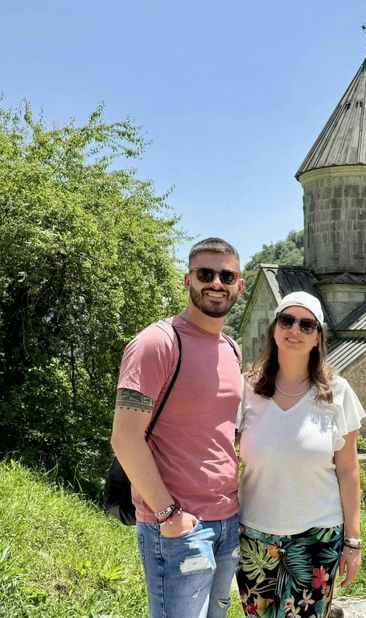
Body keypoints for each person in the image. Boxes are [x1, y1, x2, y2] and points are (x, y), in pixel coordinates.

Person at [110, 237, 245, 618]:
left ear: (240, 284)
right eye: (205, 273)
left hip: (228, 520)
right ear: (187, 280)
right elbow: (124, 437)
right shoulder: (157, 343)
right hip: (178, 525)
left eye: (226, 275)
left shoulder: (232, 349)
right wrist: (168, 514)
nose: (215, 283)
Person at [236, 291, 365, 617]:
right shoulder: (246, 388)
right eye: (287, 320)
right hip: (255, 535)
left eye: (307, 324)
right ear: (274, 328)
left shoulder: (337, 391)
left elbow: (348, 471)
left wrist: (353, 542)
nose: (295, 329)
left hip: (316, 538)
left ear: (318, 335)